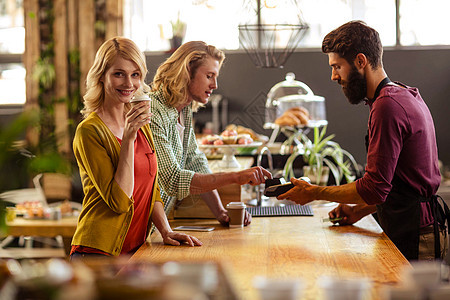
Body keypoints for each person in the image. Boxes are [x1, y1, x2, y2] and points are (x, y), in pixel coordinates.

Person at [278, 21, 449, 261]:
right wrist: (357, 210)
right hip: (414, 227)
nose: (333, 76)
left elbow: (374, 188)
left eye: (337, 66)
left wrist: (314, 192)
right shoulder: (403, 95)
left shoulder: (387, 106)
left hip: (416, 235)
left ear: (360, 61)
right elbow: (394, 185)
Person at [70, 37, 202, 259]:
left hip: (136, 250)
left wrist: (165, 230)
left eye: (135, 75)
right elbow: (120, 202)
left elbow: (152, 187)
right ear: (102, 76)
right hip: (97, 253)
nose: (129, 84)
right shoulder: (89, 131)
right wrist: (129, 138)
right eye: (118, 74)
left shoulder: (140, 122)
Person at [149, 41, 272, 226]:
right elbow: (173, 180)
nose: (214, 85)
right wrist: (236, 177)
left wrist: (221, 212)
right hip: (135, 228)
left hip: (155, 228)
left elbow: (195, 162)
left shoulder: (184, 109)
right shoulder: (154, 110)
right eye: (209, 76)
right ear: (187, 72)